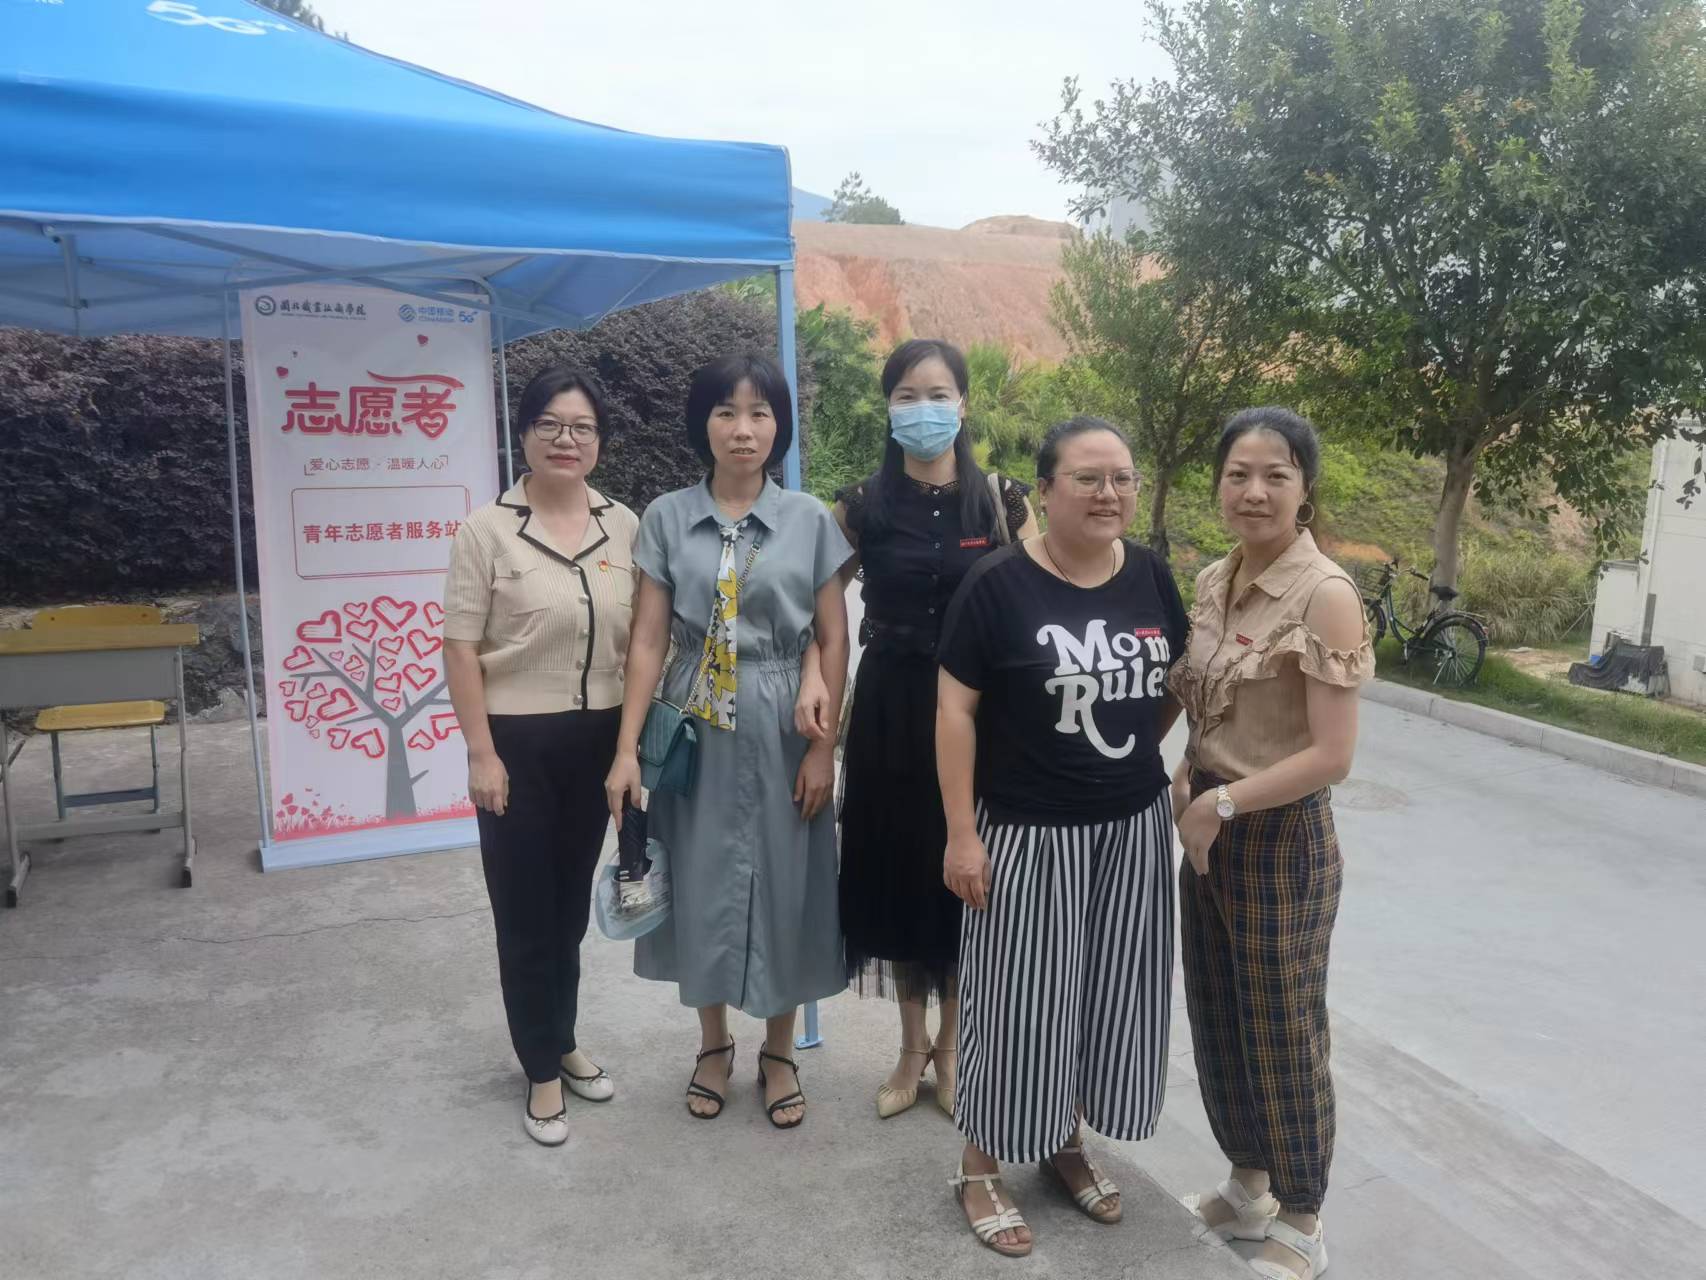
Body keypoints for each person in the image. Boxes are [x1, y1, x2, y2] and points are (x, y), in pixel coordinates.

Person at [935, 417, 1187, 1257]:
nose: (1108, 493)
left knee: (1105, 997)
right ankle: (979, 1165)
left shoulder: (1149, 575)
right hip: (1027, 830)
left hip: (1132, 829)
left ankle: (1063, 1141)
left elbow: (1172, 680)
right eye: (1086, 478)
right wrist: (962, 833)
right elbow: (955, 711)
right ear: (1044, 491)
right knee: (1017, 1004)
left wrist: (1132, 756)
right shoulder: (998, 584)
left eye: (1121, 477)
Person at [604, 353, 853, 1130]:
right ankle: (713, 1044)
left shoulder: (809, 519)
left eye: (759, 413)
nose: (743, 429)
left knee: (787, 881)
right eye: (725, 412)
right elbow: (648, 640)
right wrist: (626, 750)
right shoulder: (667, 517)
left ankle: (778, 1051)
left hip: (786, 723)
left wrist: (824, 750)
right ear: (702, 423)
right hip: (695, 722)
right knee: (702, 876)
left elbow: (833, 639)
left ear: (779, 425)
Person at [801, 338, 1037, 1121]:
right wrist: (811, 676)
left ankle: (953, 1051)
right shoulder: (860, 504)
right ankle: (910, 1050)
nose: (923, 408)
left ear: (963, 404)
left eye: (938, 394)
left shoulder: (1002, 501)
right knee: (900, 870)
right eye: (906, 395)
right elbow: (818, 611)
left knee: (963, 874)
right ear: (889, 407)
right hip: (891, 711)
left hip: (981, 715)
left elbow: (1038, 601)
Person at [1168, 407, 1371, 1280]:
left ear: (1303, 488)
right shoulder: (1215, 578)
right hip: (1209, 823)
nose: (1254, 492)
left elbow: (1333, 756)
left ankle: (1302, 1214)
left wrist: (1225, 802)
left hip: (1278, 836)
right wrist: (1179, 772)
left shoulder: (1324, 593)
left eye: (1275, 475)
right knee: (1219, 1013)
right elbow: (1196, 695)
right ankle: (1248, 1181)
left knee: (1284, 1029)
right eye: (1238, 474)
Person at [443, 365, 638, 1147]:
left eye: (582, 427)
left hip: (597, 743)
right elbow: (460, 647)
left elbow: (643, 640)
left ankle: (562, 1038)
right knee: (524, 914)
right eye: (551, 424)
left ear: (599, 441)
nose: (567, 439)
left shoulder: (624, 524)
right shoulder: (485, 531)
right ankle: (541, 1071)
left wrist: (629, 749)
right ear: (523, 433)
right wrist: (480, 753)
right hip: (517, 745)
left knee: (567, 912)